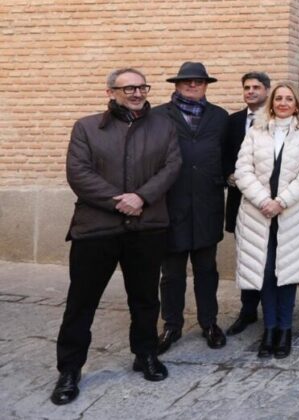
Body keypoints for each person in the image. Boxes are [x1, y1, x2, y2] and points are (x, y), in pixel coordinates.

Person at [52, 68, 182, 405]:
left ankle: (146, 355)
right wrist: (118, 201)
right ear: (111, 92)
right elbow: (78, 172)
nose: (137, 93)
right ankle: (69, 369)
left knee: (144, 299)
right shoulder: (86, 127)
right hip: (96, 228)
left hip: (147, 226)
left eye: (142, 87)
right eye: (129, 88)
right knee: (82, 301)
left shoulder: (164, 125)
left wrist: (140, 198)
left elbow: (171, 167)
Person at [233, 82, 299, 359]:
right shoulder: (255, 132)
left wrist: (281, 201)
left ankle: (285, 329)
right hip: (258, 215)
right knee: (266, 272)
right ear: (271, 103)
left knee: (286, 274)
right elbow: (242, 170)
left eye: (289, 99)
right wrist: (263, 201)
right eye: (278, 98)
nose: (283, 102)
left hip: (290, 213)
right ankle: (269, 328)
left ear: (297, 103)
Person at [155, 62, 229, 353]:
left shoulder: (220, 117)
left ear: (206, 85)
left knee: (207, 270)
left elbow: (228, 155)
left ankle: (209, 322)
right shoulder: (159, 116)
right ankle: (171, 325)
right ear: (177, 84)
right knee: (171, 273)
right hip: (171, 205)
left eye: (199, 81)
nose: (193, 85)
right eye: (187, 81)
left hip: (207, 204)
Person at [222, 71, 271, 337]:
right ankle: (248, 311)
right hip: (241, 201)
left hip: (270, 204)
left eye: (256, 87)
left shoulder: (279, 119)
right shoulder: (233, 122)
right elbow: (223, 156)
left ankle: (272, 313)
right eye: (247, 87)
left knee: (270, 259)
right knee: (247, 258)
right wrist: (229, 175)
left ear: (267, 90)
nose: (251, 91)